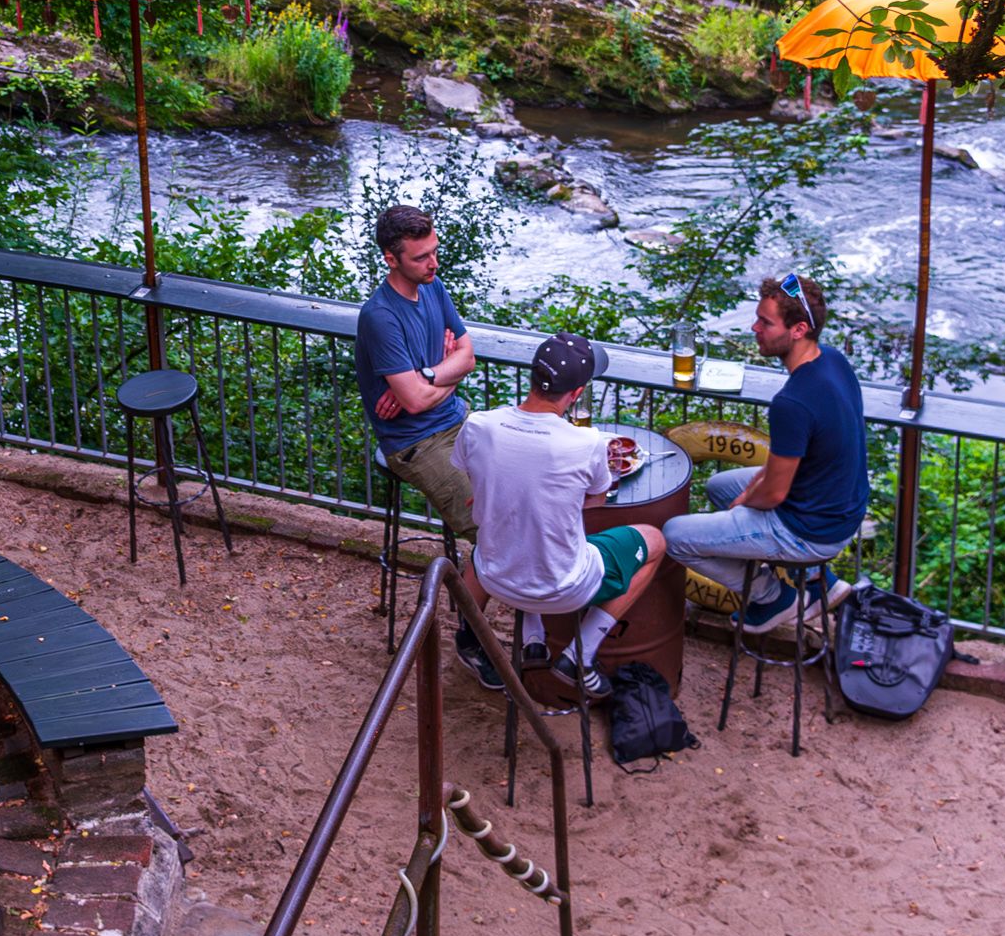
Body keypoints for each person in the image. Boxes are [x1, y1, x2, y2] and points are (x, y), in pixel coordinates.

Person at [457, 334, 669, 700]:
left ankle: (499, 638)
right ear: (576, 393)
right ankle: (580, 655)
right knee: (654, 540)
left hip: (498, 579)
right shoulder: (586, 444)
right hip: (566, 588)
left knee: (490, 545)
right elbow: (596, 499)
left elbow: (475, 477)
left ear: (533, 376)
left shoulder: (479, 425)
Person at [665, 273, 870, 628]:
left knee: (674, 537)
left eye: (765, 322)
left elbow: (774, 492)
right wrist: (746, 493)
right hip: (840, 506)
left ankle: (774, 597)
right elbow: (785, 467)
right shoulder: (833, 361)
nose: (754, 327)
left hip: (810, 530)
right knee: (719, 487)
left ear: (798, 329)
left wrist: (745, 503)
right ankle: (822, 581)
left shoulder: (792, 403)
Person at [355, 204, 499, 687]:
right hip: (413, 442)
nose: (434, 264)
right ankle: (471, 638)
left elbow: (468, 355)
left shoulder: (433, 287)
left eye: (434, 252)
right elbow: (413, 404)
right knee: (492, 529)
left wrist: (433, 377)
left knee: (525, 492)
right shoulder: (379, 317)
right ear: (391, 259)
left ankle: (531, 618)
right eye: (421, 258)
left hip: (459, 421)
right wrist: (435, 378)